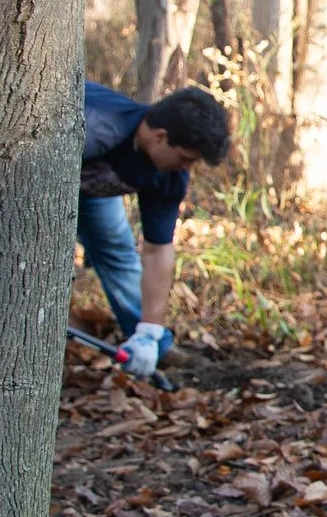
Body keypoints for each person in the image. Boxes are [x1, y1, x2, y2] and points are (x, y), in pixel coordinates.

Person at [79, 81, 232, 384]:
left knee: (117, 252)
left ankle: (154, 345)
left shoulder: (169, 175)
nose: (187, 167)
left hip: (90, 194)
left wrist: (150, 331)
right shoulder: (94, 126)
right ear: (160, 137)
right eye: (187, 158)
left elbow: (157, 249)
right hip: (34, 182)